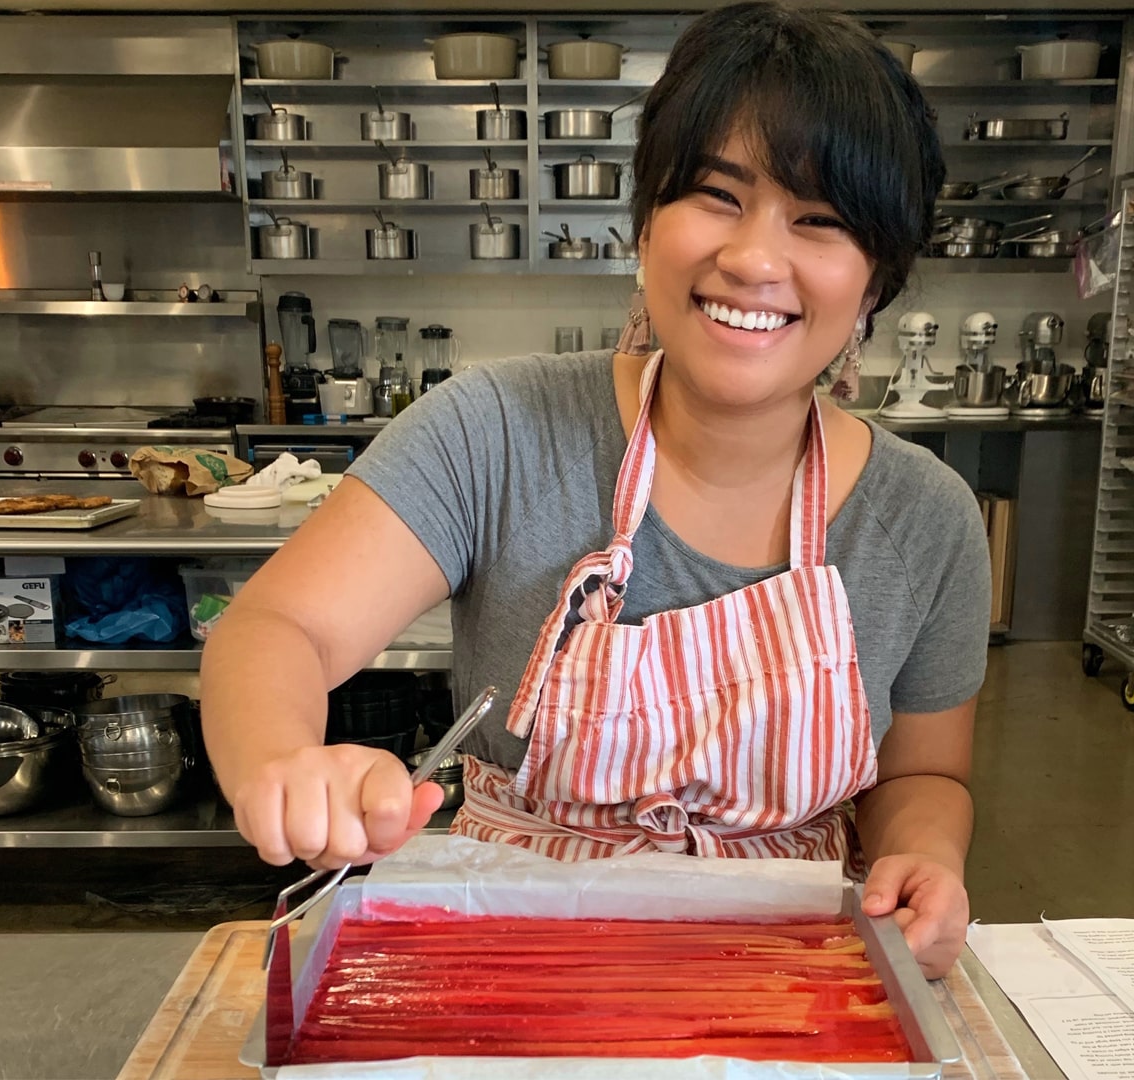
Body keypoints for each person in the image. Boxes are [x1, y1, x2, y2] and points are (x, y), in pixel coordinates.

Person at [202, 1, 989, 980]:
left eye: (820, 220)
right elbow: (275, 628)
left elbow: (922, 773)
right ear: (645, 216)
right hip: (510, 952)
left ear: (877, 278)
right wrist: (286, 761)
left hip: (793, 974)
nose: (752, 259)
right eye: (715, 193)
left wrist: (925, 856)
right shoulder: (493, 430)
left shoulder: (927, 519)